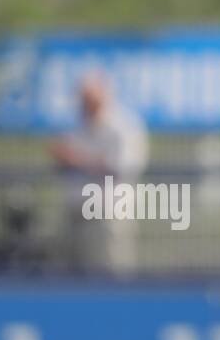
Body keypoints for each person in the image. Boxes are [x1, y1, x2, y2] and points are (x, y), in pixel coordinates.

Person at [49, 72, 148, 275]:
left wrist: (78, 160)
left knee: (111, 275)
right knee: (73, 278)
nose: (85, 105)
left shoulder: (124, 126)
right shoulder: (77, 126)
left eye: (90, 99)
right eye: (83, 99)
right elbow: (65, 162)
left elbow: (122, 166)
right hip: (76, 214)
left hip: (108, 215)